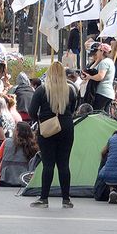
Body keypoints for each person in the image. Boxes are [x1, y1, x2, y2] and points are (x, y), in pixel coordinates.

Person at [28, 62, 77, 208]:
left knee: (48, 164)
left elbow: (31, 111)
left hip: (48, 127)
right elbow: (73, 108)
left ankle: (44, 199)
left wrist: (39, 120)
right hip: (67, 127)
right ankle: (66, 199)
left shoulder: (42, 90)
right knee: (64, 164)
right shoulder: (70, 90)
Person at [0, 121, 38, 187]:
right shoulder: (34, 145)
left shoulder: (6, 141)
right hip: (25, 179)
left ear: (16, 132)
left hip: (5, 179)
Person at [81, 43, 114, 111]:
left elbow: (100, 76)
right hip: (108, 93)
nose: (97, 52)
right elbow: (90, 69)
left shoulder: (104, 63)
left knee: (97, 114)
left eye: (98, 50)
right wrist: (98, 60)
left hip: (102, 92)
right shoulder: (109, 61)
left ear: (102, 51)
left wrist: (90, 77)